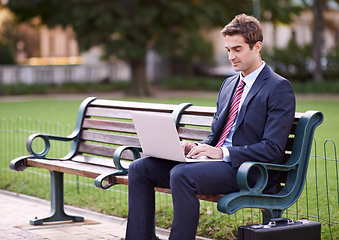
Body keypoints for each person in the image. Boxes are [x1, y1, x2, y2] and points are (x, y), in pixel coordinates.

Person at [125, 13, 296, 240]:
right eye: (227, 50)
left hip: (249, 171)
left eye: (237, 49)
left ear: (257, 46)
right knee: (140, 168)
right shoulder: (229, 84)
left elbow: (273, 149)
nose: (231, 57)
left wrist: (222, 152)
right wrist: (195, 147)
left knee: (182, 174)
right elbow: (217, 136)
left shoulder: (278, 87)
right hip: (216, 164)